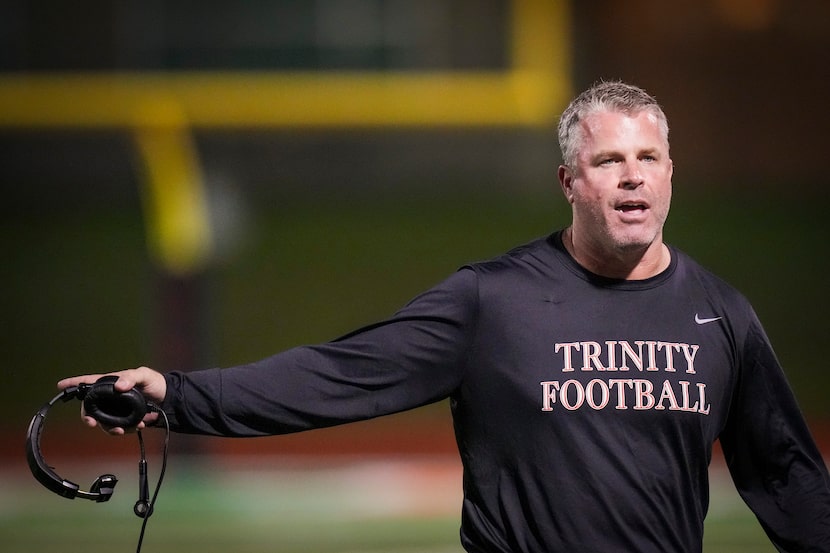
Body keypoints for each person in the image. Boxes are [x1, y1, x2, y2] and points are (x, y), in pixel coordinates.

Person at [58, 81, 830, 552]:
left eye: (648, 159)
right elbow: (338, 375)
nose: (632, 178)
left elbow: (788, 474)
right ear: (569, 180)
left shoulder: (719, 313)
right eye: (608, 161)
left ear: (670, 173)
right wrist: (175, 393)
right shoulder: (492, 301)